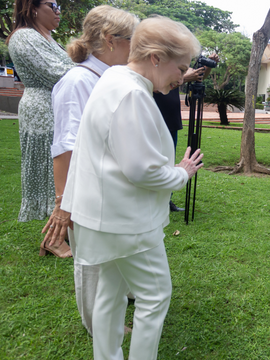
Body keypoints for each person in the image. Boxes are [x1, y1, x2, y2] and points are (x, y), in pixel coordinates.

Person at [61, 16, 203, 359]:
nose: (182, 77)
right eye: (180, 67)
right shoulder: (131, 93)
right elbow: (142, 170)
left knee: (110, 292)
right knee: (155, 295)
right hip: (126, 221)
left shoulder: (113, 80)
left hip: (103, 217)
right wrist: (182, 173)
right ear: (155, 57)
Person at [40, 5, 138, 336]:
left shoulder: (109, 78)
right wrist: (62, 204)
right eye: (132, 41)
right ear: (110, 40)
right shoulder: (78, 82)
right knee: (92, 261)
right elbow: (66, 146)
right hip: (87, 191)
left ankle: (116, 305)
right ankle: (98, 325)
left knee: (112, 253)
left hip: (108, 186)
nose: (136, 49)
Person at [7, 0, 74, 230]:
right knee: (50, 171)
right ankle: (54, 235)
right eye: (52, 5)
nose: (58, 11)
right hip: (42, 111)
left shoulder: (48, 38)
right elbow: (59, 73)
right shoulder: (24, 37)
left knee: (62, 168)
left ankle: (62, 230)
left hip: (57, 107)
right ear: (32, 8)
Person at [154, 53, 218, 212]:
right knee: (156, 160)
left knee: (169, 161)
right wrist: (183, 79)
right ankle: (153, 201)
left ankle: (166, 201)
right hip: (156, 119)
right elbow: (156, 87)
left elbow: (198, 77)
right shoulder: (155, 65)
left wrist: (207, 67)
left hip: (172, 119)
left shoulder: (176, 64)